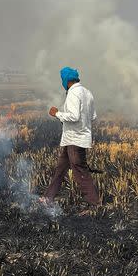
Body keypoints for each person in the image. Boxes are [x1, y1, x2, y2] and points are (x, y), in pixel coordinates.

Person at [41, 67, 100, 211]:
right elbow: (93, 116)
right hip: (74, 138)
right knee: (60, 169)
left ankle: (94, 204)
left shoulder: (73, 93)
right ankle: (48, 198)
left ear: (66, 80)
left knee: (80, 171)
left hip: (75, 139)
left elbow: (74, 116)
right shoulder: (87, 93)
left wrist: (57, 114)